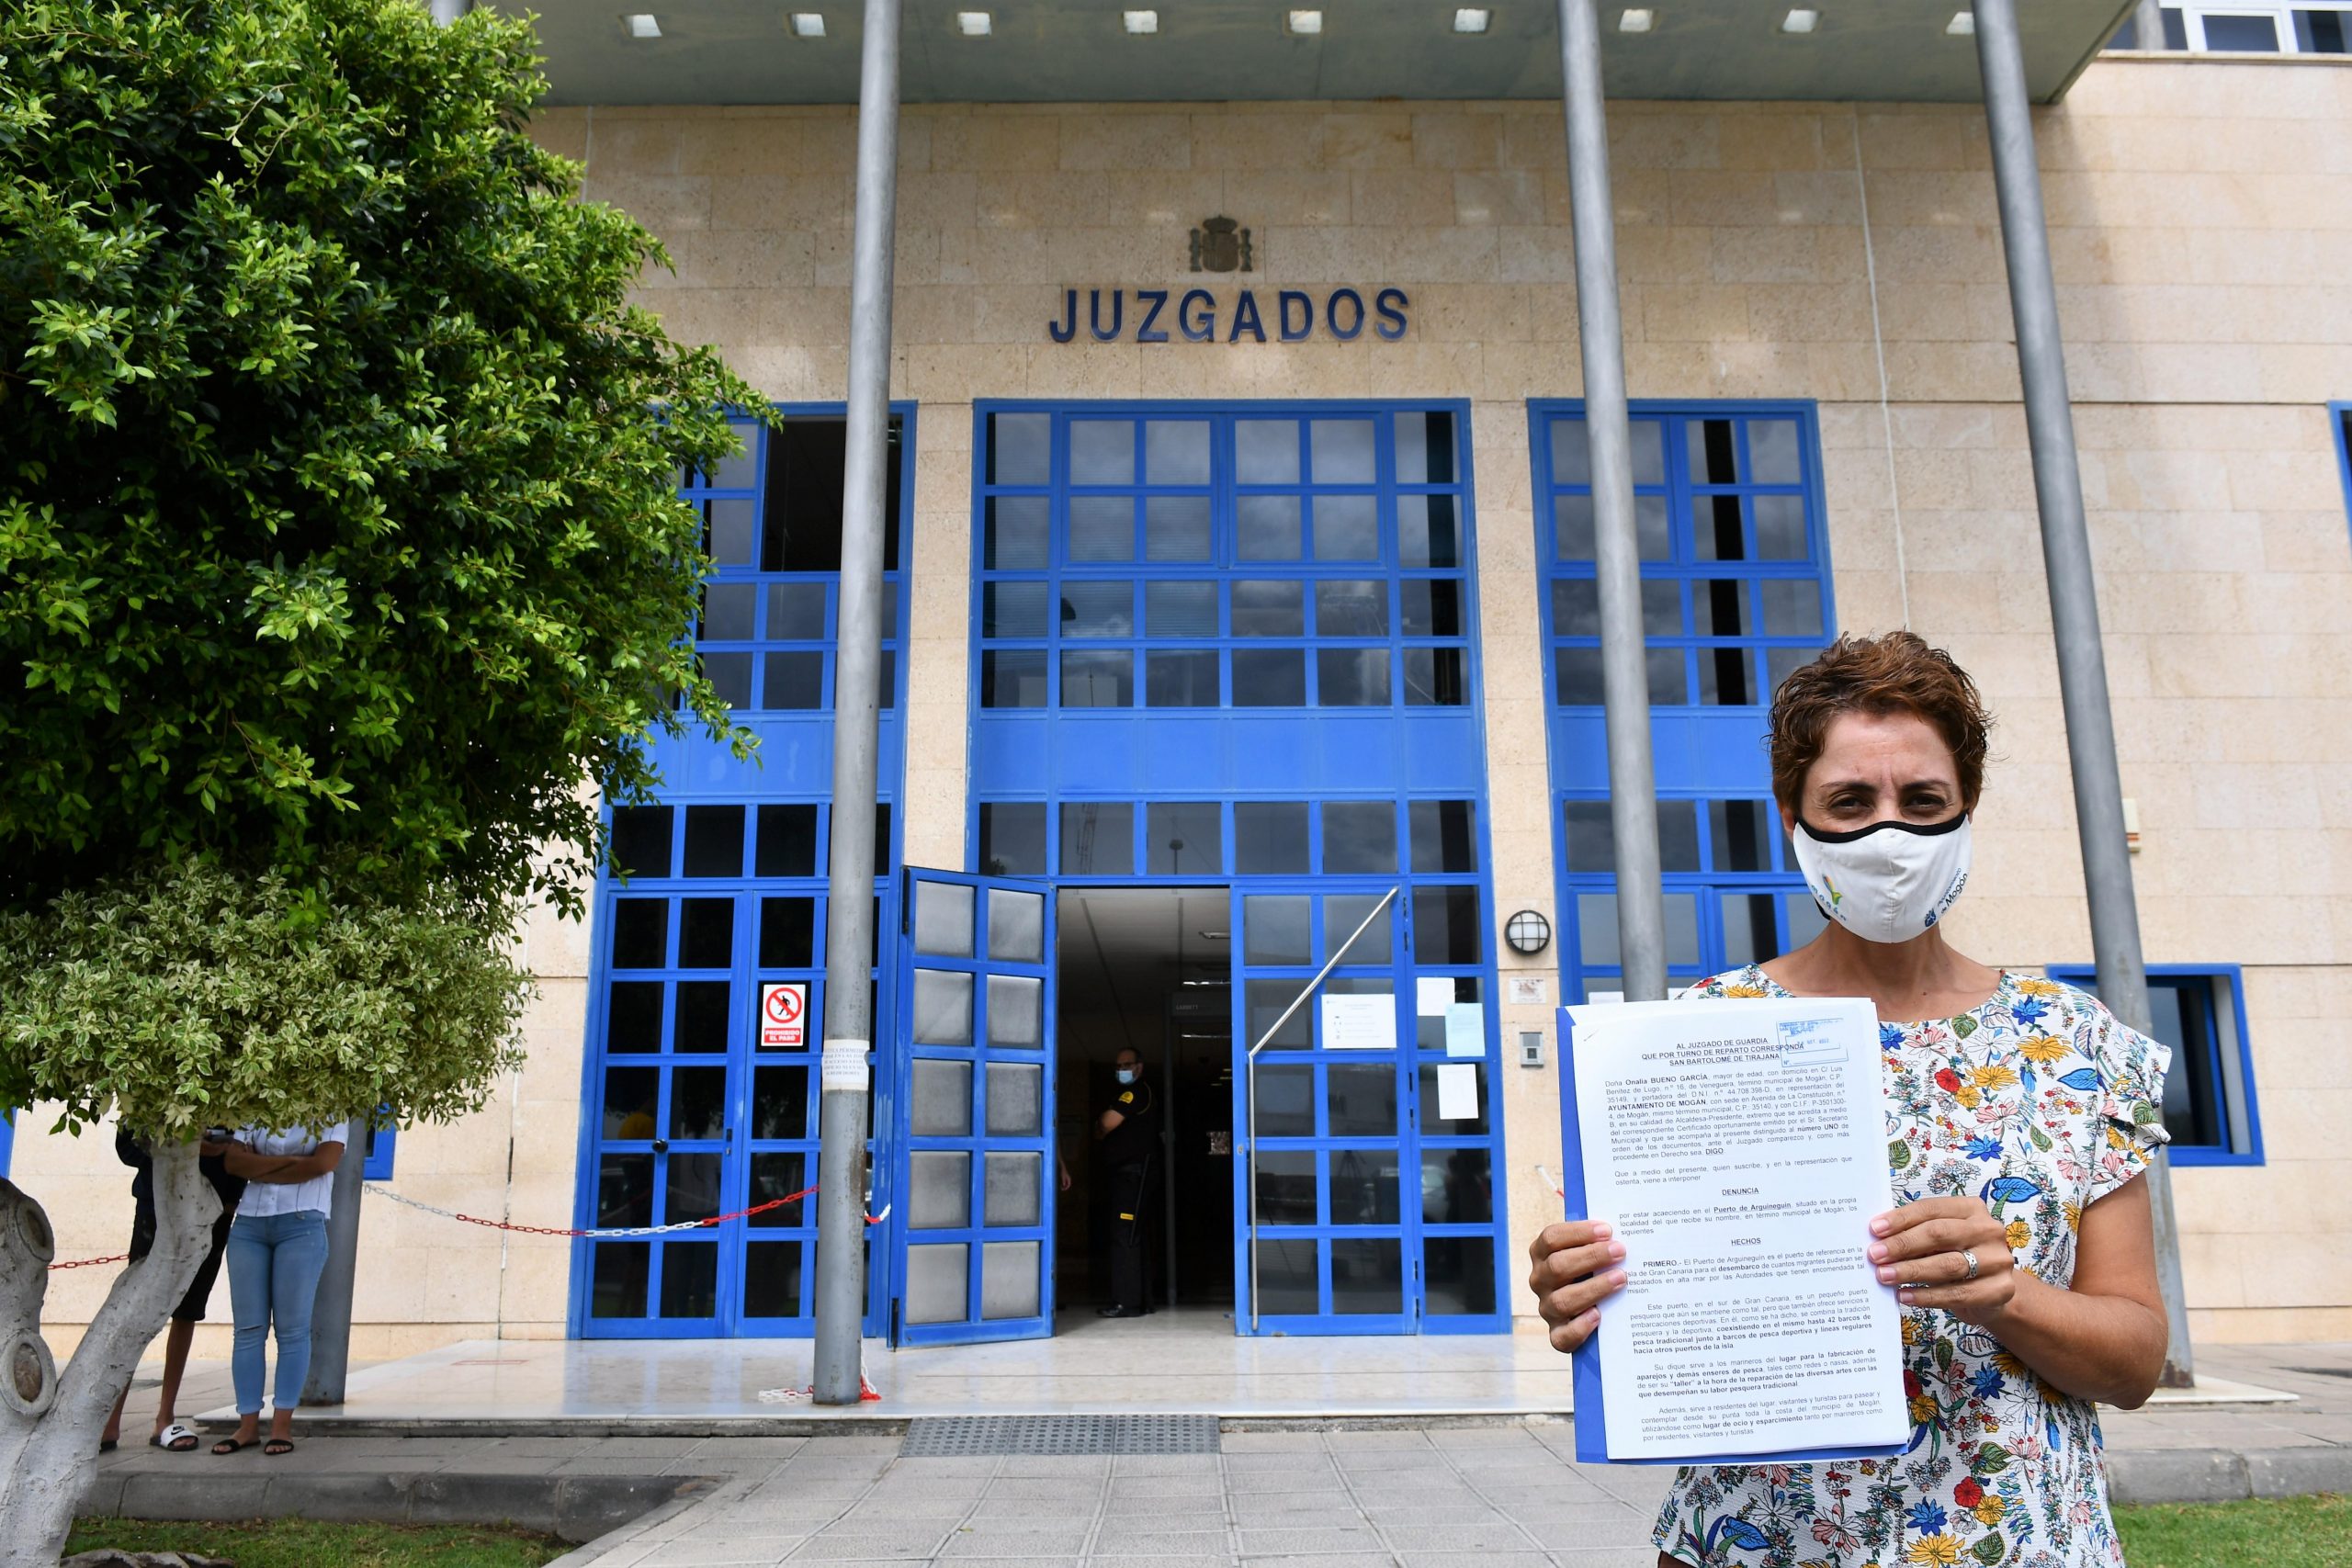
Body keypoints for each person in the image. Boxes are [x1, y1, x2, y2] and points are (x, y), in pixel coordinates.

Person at [1527, 632, 2172, 1568]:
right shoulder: (1694, 1035)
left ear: (1966, 806)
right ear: (1792, 812)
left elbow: (2136, 1361)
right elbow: (1650, 1309)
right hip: (1762, 1542)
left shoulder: (2073, 1041)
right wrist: (1588, 1300)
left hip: (2021, 1541)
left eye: (1922, 801)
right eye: (1849, 801)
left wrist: (2009, 1299)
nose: (1889, 834)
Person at [99, 1128, 248, 1453]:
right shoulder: (152, 1087)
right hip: (156, 1205)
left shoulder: (231, 1096)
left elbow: (243, 1149)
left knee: (187, 1312)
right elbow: (128, 1146)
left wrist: (229, 1202)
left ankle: (164, 1419)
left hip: (212, 1209)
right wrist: (187, 1148)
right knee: (136, 1309)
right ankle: (109, 1421)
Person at [211, 1121, 349, 1457]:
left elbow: (323, 1163)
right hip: (249, 1223)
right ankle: (246, 1426)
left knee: (292, 1330)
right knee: (247, 1329)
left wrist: (259, 1167)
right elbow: (234, 1163)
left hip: (302, 1223)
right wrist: (296, 1166)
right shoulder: (258, 1104)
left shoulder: (332, 1107)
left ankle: (281, 1426)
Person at [1092, 1046, 1160, 1319]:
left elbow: (1107, 1123)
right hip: (1130, 1175)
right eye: (1118, 1066)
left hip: (1134, 1175)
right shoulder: (1129, 1093)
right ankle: (1141, 1301)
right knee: (1133, 1235)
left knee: (1125, 1236)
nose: (1121, 1070)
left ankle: (1127, 1303)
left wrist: (1101, 1124)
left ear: (1139, 1067)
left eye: (1127, 1064)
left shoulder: (1135, 1092)